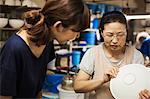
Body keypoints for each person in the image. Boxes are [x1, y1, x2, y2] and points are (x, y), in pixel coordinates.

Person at [0, 0, 90, 98]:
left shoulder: (47, 42)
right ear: (58, 26)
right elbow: (4, 96)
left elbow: (38, 88)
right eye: (76, 31)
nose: (77, 36)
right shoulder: (15, 49)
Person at [74, 11, 150, 99]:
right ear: (102, 33)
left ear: (126, 33)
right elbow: (78, 86)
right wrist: (102, 80)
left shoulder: (136, 56)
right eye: (109, 35)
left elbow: (140, 87)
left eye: (120, 34)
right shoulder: (93, 53)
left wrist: (143, 95)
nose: (114, 40)